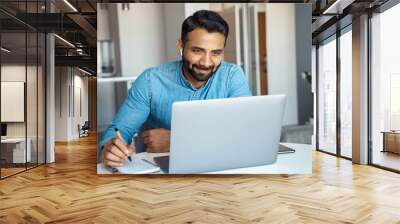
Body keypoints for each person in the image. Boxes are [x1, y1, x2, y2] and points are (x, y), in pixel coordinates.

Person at [99, 10, 252, 167]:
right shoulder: (151, 81)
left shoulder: (232, 76)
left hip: (218, 166)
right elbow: (119, 129)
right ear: (181, 45)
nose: (206, 62)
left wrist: (177, 140)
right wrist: (109, 148)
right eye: (197, 51)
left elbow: (245, 134)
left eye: (216, 53)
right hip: (162, 173)